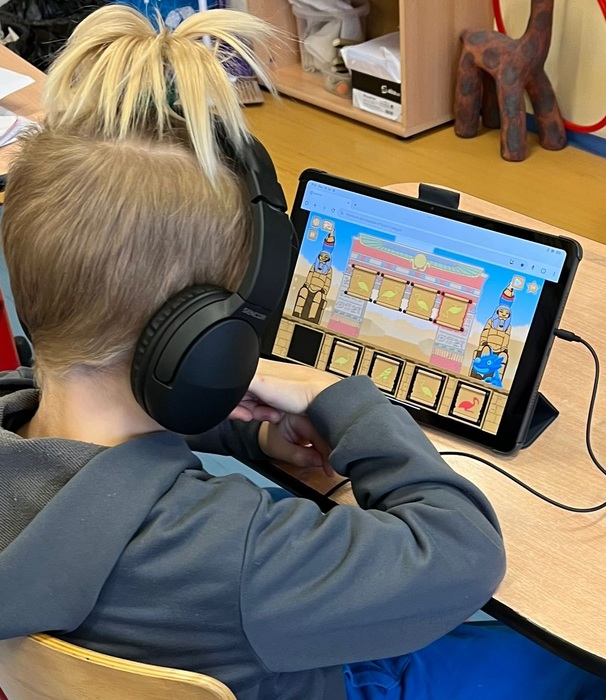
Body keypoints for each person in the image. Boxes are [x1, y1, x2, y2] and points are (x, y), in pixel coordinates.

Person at [0, 6, 604, 700]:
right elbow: (462, 553)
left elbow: (96, 460)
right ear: (204, 340)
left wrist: (246, 433)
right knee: (573, 659)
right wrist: (341, 401)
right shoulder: (236, 553)